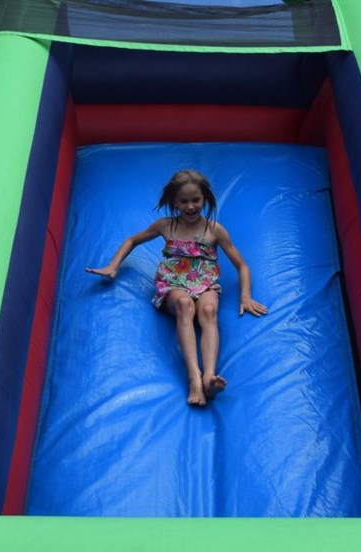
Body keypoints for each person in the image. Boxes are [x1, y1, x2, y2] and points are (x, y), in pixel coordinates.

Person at [86, 169, 267, 406]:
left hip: (204, 282)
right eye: (184, 201)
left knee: (209, 311)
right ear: (174, 201)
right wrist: (113, 266)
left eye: (196, 200)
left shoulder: (214, 230)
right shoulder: (166, 226)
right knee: (184, 306)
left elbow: (242, 265)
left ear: (205, 199)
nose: (190, 206)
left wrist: (245, 296)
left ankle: (209, 377)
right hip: (173, 283)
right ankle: (194, 376)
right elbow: (132, 240)